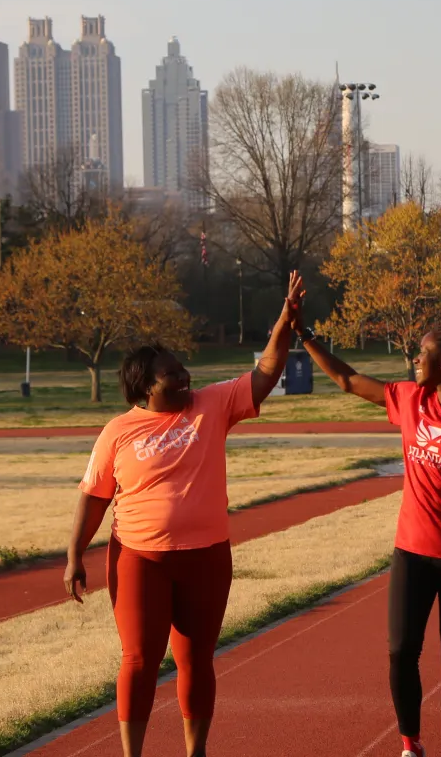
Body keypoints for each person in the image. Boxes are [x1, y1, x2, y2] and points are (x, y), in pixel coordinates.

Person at [64, 271, 306, 757]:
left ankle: (195, 753)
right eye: (173, 374)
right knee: (139, 659)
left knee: (195, 660)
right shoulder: (118, 432)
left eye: (183, 369)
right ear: (145, 387)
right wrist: (74, 557)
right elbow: (93, 497)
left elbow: (266, 372)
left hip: (206, 557)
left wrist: (284, 322)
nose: (184, 377)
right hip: (140, 558)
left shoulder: (211, 405)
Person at [293, 319, 441, 757]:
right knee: (400, 652)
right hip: (411, 550)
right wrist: (305, 335)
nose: (415, 358)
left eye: (422, 351)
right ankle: (410, 745)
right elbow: (347, 380)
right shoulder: (410, 399)